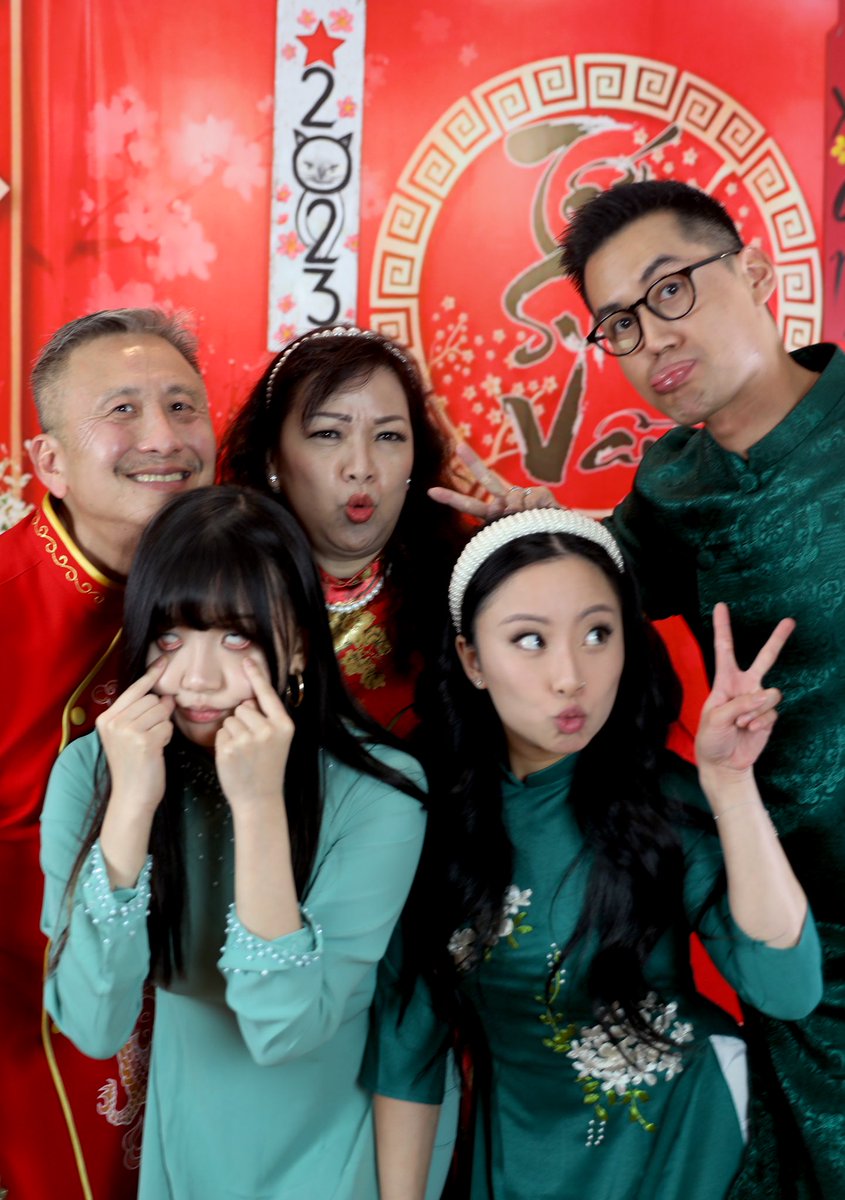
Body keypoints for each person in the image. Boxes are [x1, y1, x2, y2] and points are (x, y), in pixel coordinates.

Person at [365, 509, 821, 1200]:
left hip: (692, 1144)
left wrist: (730, 786)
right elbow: (408, 1050)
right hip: (517, 1159)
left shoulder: (663, 799)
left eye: (597, 634)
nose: (569, 676)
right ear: (472, 659)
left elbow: (786, 987)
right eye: (529, 640)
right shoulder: (426, 817)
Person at [557, 179, 845, 1197]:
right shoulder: (670, 486)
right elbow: (589, 592)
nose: (652, 338)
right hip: (790, 929)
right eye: (620, 324)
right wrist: (525, 532)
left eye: (670, 289)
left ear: (754, 271)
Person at [40, 485, 427, 1199]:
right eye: (170, 636)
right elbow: (93, 1026)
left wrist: (257, 806)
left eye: (238, 637)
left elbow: (283, 1032)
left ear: (299, 642)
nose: (197, 677)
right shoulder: (92, 773)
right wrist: (130, 806)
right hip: (189, 1148)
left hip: (341, 1151)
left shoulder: (379, 792)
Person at [0, 308, 215, 1199]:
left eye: (182, 405)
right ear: (49, 461)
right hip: (32, 1020)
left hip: (210, 1001)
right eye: (121, 410)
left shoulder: (235, 585)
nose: (162, 437)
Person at [219, 323, 464, 739]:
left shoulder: (464, 587)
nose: (361, 467)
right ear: (272, 459)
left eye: (388, 436)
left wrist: (531, 548)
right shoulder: (219, 588)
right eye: (328, 434)